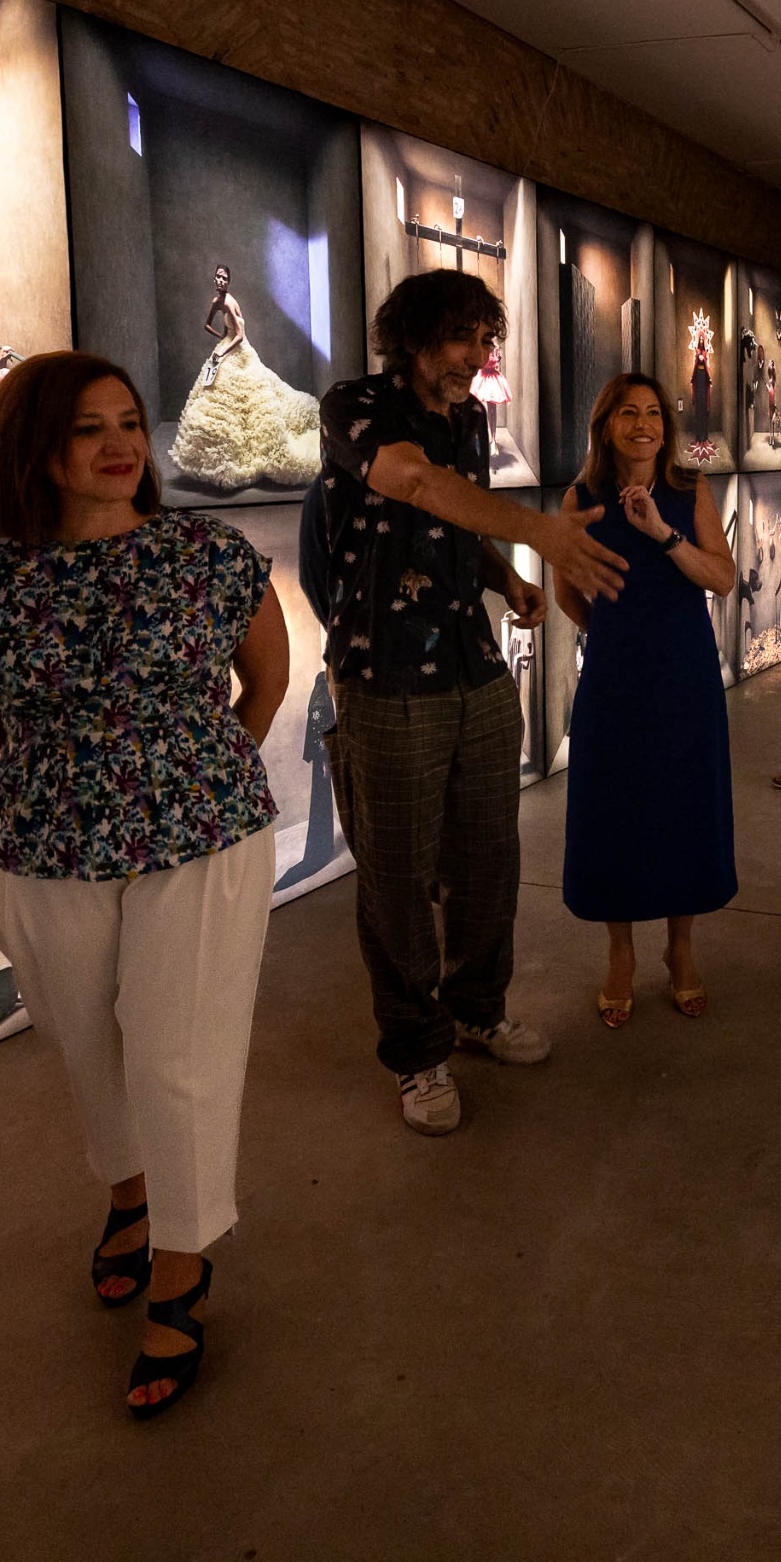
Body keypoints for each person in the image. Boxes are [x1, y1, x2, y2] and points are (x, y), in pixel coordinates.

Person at [0, 351, 289, 1420]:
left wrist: (195, 770)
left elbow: (265, 679)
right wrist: (69, 774)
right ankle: (128, 1195)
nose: (121, 443)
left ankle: (182, 1267)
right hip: (44, 845)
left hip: (202, 835)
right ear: (33, 447)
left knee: (182, 1059)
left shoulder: (209, 555)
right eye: (88, 427)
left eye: (129, 421)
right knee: (86, 1043)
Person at [308, 267, 627, 1133]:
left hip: (473, 668)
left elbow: (457, 517)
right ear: (412, 336)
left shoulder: (472, 421)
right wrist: (543, 534)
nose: (476, 357)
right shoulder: (355, 407)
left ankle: (477, 1011)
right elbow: (414, 485)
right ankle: (418, 1053)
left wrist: (506, 577)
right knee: (398, 877)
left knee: (488, 858)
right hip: (385, 676)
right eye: (461, 338)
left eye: (486, 341)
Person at [555, 374, 739, 1026]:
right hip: (615, 680)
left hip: (686, 676)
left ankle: (680, 949)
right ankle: (621, 953)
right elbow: (565, 588)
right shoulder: (582, 497)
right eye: (629, 413)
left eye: (655, 413)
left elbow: (724, 577)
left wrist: (663, 534)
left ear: (667, 427)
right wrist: (611, 632)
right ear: (607, 426)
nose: (644, 425)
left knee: (684, 807)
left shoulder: (690, 490)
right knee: (616, 811)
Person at [172, 264, 324, 490]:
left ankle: (248, 451)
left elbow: (240, 336)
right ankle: (223, 457)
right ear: (214, 280)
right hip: (227, 347)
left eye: (224, 278)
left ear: (229, 281)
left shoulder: (229, 302)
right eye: (218, 277)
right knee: (220, 399)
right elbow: (207, 325)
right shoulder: (216, 302)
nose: (220, 281)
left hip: (239, 351)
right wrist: (223, 337)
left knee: (254, 397)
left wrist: (224, 348)